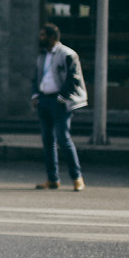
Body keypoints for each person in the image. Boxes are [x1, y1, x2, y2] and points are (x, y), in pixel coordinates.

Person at [31, 23, 88, 191]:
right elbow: (36, 77)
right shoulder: (42, 55)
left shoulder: (67, 54)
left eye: (43, 35)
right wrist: (35, 95)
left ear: (52, 37)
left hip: (59, 101)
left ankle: (77, 177)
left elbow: (73, 78)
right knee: (47, 140)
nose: (40, 38)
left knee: (63, 139)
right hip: (44, 99)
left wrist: (62, 98)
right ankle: (52, 178)